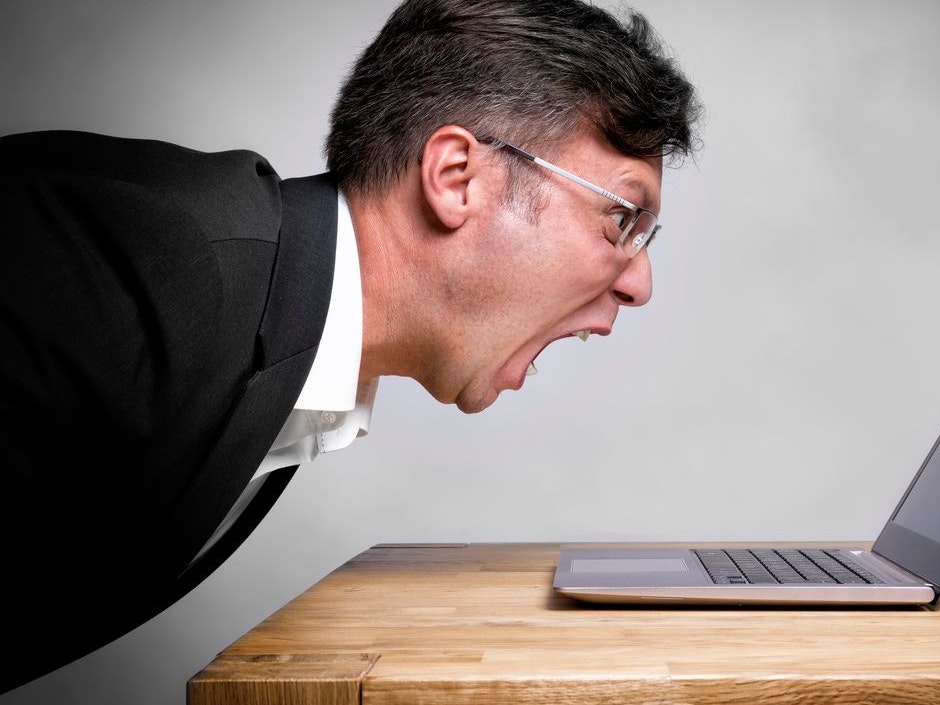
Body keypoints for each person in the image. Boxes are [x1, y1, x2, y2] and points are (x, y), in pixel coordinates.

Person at [0, 0, 701, 693]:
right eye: (622, 217)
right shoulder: (140, 262)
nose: (639, 283)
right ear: (458, 176)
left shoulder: (274, 325)